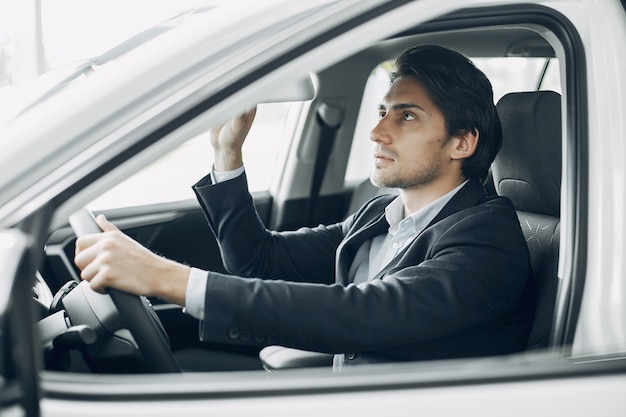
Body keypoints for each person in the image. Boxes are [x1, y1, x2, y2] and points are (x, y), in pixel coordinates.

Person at [74, 45, 535, 367]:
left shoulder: (488, 242)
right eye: (381, 112)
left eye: (407, 116)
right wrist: (228, 154)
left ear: (462, 142)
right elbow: (260, 260)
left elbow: (359, 315)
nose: (377, 133)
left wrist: (163, 277)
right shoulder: (381, 214)